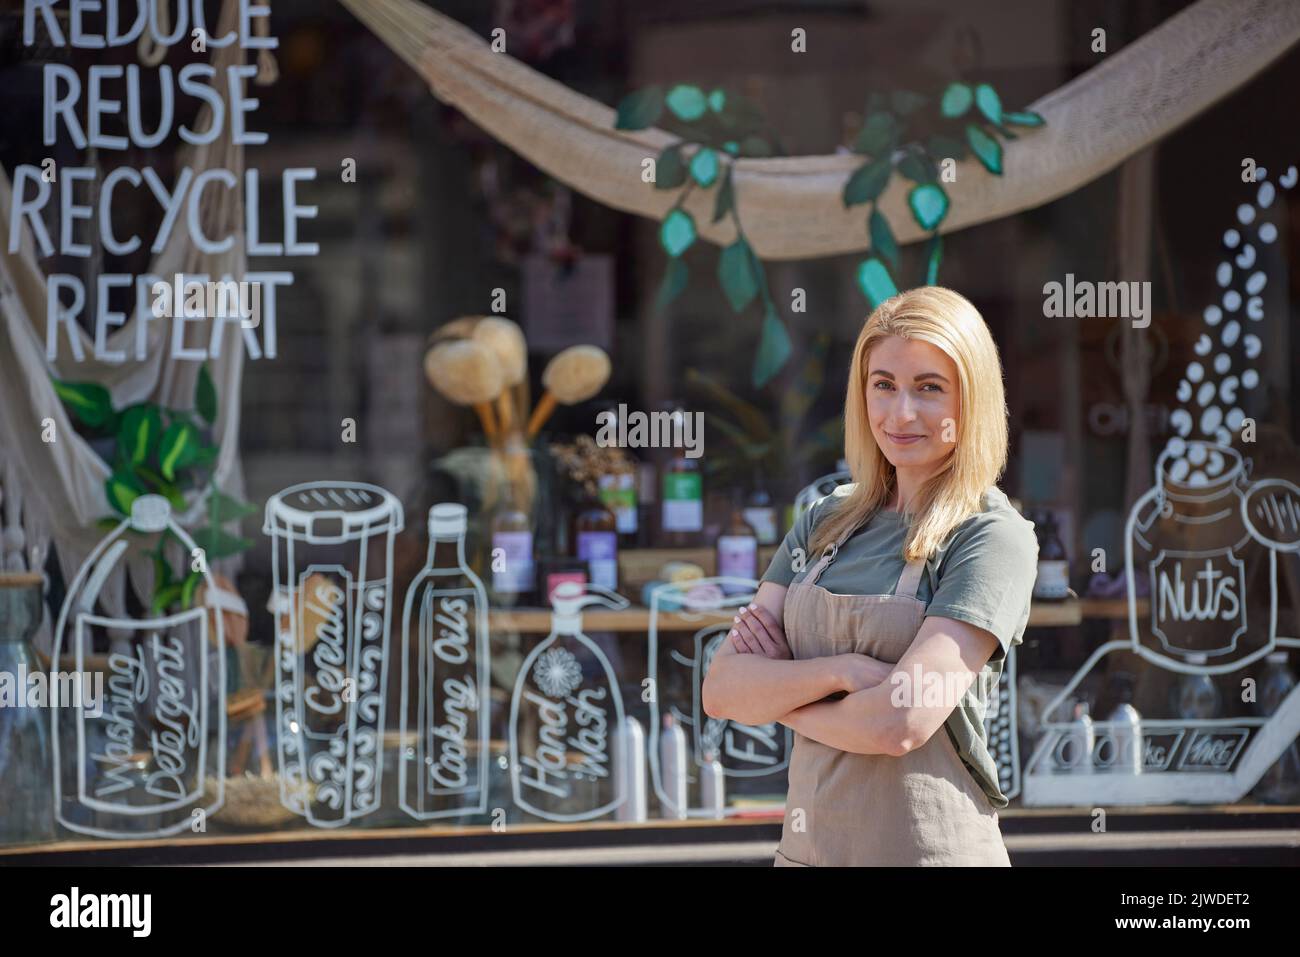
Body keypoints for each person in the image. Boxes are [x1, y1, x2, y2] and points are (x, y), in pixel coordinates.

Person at [701, 286, 1038, 866]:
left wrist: (777, 693)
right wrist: (846, 672)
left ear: (971, 399)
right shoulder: (825, 521)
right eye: (883, 385)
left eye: (929, 388)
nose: (900, 413)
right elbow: (723, 690)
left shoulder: (990, 537)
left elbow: (900, 723)